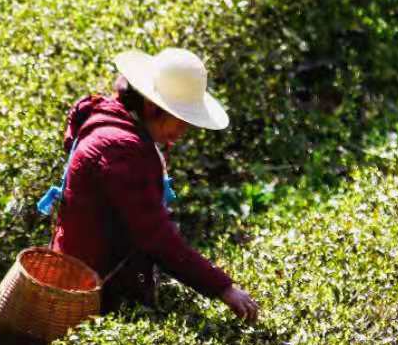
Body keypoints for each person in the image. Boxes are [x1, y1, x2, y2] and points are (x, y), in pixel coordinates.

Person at [45, 47, 259, 322]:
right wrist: (223, 288)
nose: (183, 131)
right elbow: (154, 236)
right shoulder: (120, 149)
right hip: (89, 292)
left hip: (88, 276)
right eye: (180, 119)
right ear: (150, 107)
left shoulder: (118, 125)